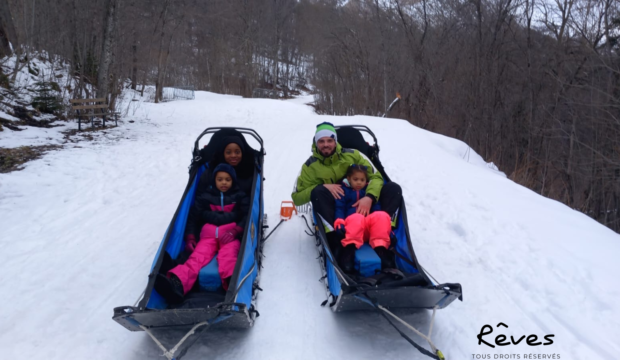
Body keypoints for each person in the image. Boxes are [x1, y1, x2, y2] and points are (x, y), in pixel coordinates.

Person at [292, 122, 401, 268]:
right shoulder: (310, 166)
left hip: (367, 205)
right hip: (338, 211)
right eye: (321, 141)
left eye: (330, 140)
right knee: (318, 192)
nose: (326, 144)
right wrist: (322, 186)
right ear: (316, 143)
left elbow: (376, 177)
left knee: (393, 188)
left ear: (335, 141)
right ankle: (335, 240)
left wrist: (369, 197)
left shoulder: (353, 155)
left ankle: (386, 232)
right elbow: (297, 198)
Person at [155, 164, 250, 304]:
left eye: (227, 179)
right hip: (208, 236)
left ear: (233, 181)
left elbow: (246, 215)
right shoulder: (205, 197)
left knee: (229, 257)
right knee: (196, 258)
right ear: (214, 180)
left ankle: (233, 285)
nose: (224, 182)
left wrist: (237, 230)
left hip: (229, 235)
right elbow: (193, 217)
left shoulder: (239, 197)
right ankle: (177, 284)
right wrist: (190, 237)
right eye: (220, 179)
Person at [184, 136, 254, 247]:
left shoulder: (249, 174)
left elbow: (247, 210)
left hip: (235, 227)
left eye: (237, 152)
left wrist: (238, 228)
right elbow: (197, 208)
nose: (233, 156)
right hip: (208, 228)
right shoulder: (209, 175)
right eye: (228, 152)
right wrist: (191, 235)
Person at [334, 164, 396, 272]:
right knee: (357, 217)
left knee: (381, 215)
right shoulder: (343, 191)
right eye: (355, 179)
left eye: (362, 180)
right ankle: (349, 252)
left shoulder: (368, 191)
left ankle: (381, 249)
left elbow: (377, 208)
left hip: (368, 229)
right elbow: (339, 207)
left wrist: (386, 227)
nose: (359, 182)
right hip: (352, 228)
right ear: (348, 179)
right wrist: (340, 221)